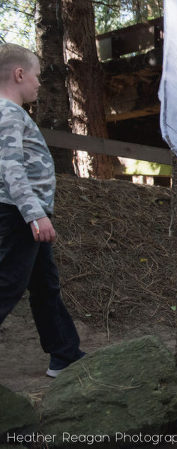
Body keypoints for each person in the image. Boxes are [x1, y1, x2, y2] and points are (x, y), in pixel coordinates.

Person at [0, 43, 85, 378]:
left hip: (25, 215)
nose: (39, 84)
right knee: (7, 284)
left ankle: (65, 355)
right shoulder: (7, 112)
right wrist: (34, 214)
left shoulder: (12, 113)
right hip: (18, 216)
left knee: (45, 285)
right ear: (19, 74)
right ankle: (65, 353)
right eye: (36, 76)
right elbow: (10, 168)